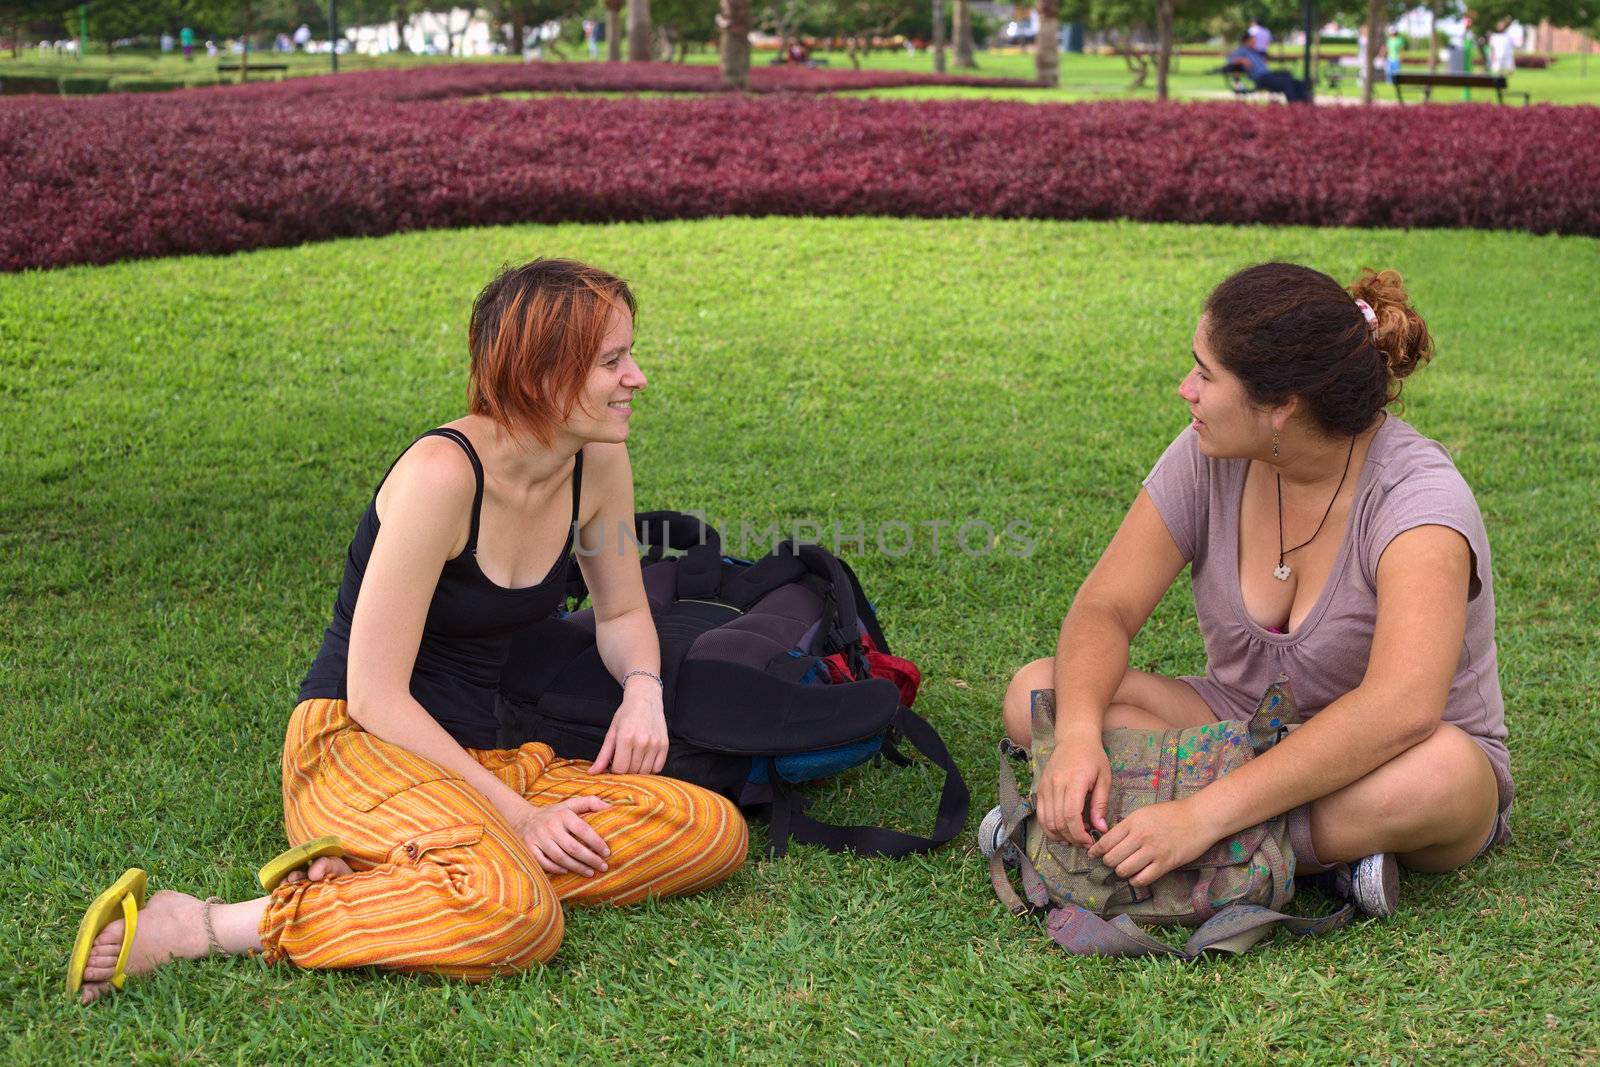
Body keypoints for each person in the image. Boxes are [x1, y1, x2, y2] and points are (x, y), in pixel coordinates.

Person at [67, 259, 748, 1004]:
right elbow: (375, 694)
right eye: (612, 362)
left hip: (478, 754)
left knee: (710, 828)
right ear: (541, 372)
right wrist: (519, 817)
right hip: (356, 743)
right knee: (516, 915)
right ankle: (204, 922)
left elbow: (620, 613)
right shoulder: (441, 476)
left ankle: (403, 869)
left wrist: (644, 690)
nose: (637, 378)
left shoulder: (598, 460)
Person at [999, 263, 1511, 917]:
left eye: (1207, 375)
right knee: (1035, 695)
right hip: (1239, 725)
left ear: (1281, 406)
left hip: (1384, 758)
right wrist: (1073, 738)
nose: (1187, 389)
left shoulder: (1419, 503)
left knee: (1444, 775)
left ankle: (1153, 830)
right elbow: (1106, 606)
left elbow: (1400, 710)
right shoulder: (1206, 453)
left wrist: (1200, 814)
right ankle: (1320, 859)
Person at [1226, 33, 1312, 104]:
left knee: (1293, 79)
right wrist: (1242, 60)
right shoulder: (1242, 51)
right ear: (1246, 41)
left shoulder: (1254, 51)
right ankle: (1294, 104)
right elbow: (1230, 60)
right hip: (1261, 78)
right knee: (1286, 82)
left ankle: (1304, 102)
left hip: (1268, 74)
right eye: (1252, 41)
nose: (1254, 43)